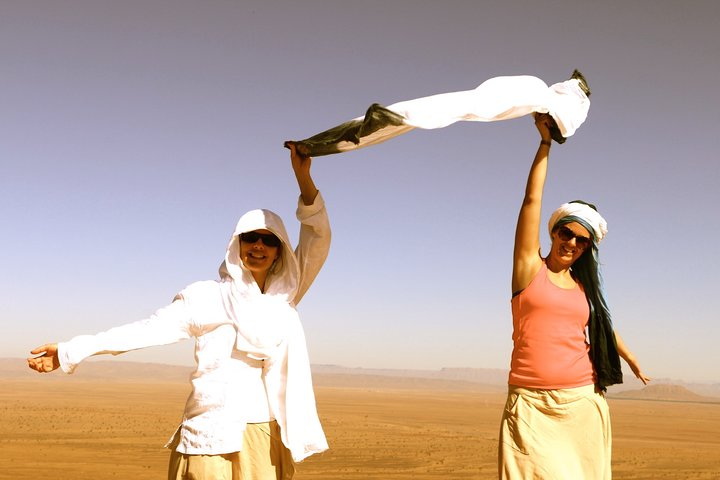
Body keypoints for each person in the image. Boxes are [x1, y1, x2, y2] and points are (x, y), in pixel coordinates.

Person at [27, 144, 330, 480]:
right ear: (237, 244)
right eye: (250, 238)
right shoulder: (207, 297)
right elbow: (145, 330)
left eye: (268, 240)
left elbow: (318, 238)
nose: (258, 246)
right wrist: (72, 350)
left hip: (265, 435)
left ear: (279, 251)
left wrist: (303, 177)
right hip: (210, 435)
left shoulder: (283, 298)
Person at [499, 114, 651, 479]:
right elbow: (531, 200)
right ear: (554, 232)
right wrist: (545, 144)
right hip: (530, 404)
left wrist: (630, 358)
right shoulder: (528, 269)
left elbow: (600, 325)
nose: (571, 243)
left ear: (587, 249)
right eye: (566, 233)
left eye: (582, 240)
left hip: (582, 400)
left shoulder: (584, 290)